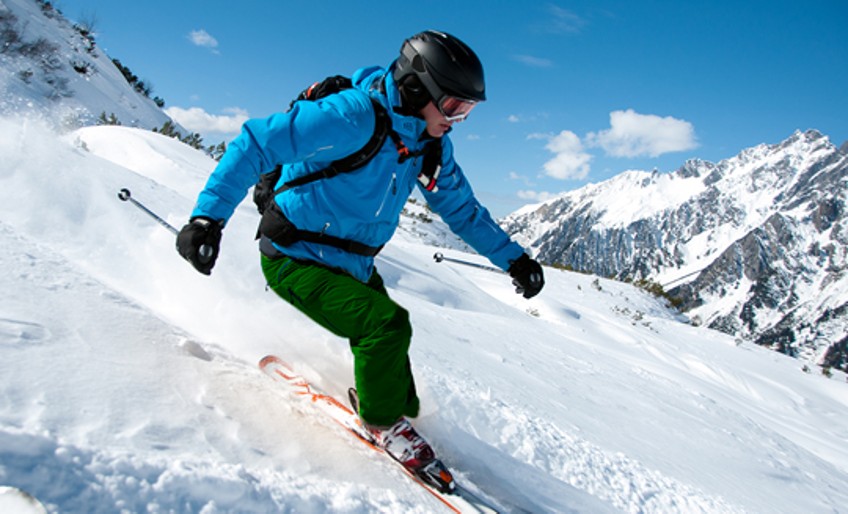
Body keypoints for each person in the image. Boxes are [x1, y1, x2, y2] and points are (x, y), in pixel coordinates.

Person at [176, 30, 544, 479]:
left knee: (394, 359)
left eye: (467, 111)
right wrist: (206, 219)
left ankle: (395, 408)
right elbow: (256, 142)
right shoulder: (352, 117)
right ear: (415, 87)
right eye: (452, 106)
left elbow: (463, 210)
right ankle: (382, 423)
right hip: (295, 254)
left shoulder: (429, 146)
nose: (457, 120)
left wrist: (515, 259)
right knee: (385, 326)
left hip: (353, 263)